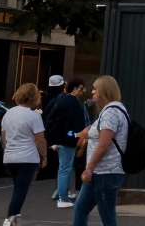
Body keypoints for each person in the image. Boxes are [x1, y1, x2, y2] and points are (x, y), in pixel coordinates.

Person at [72, 76, 128, 226]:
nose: (92, 91)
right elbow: (90, 131)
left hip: (105, 173)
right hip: (100, 172)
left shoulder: (111, 113)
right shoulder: (110, 111)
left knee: (107, 217)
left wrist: (89, 168)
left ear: (105, 91)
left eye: (95, 88)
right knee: (81, 208)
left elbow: (104, 144)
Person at [1, 82, 47, 226]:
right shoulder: (34, 116)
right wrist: (44, 156)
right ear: (33, 97)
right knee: (20, 191)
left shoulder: (8, 113)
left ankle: (15, 219)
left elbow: (4, 138)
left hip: (10, 156)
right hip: (27, 157)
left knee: (18, 188)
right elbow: (40, 140)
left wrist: (7, 151)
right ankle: (10, 221)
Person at [48, 79, 89, 207]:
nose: (83, 91)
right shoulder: (74, 103)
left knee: (64, 167)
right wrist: (77, 136)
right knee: (66, 168)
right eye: (81, 88)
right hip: (67, 139)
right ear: (76, 88)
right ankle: (63, 198)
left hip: (61, 138)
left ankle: (62, 194)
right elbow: (78, 124)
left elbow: (52, 117)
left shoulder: (62, 100)